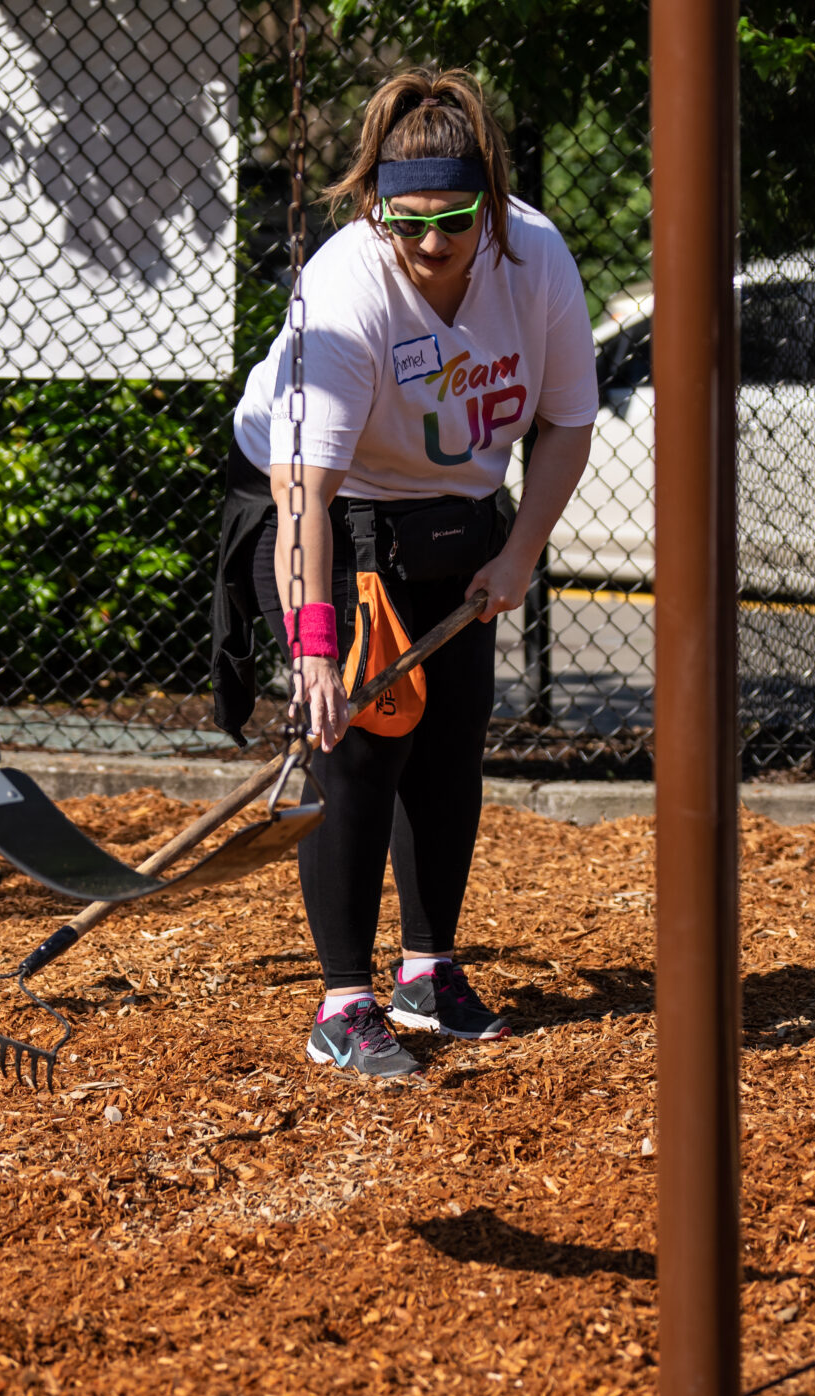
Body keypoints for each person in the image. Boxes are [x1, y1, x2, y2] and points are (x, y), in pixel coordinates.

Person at [211, 66, 595, 1078]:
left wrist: (519, 555)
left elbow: (565, 424)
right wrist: (313, 652)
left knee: (449, 737)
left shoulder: (538, 259)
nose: (430, 245)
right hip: (330, 509)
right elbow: (305, 496)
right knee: (359, 744)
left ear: (493, 209)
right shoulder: (345, 289)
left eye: (456, 221)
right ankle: (344, 1002)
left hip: (456, 510)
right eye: (406, 221)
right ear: (376, 207)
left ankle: (428, 971)